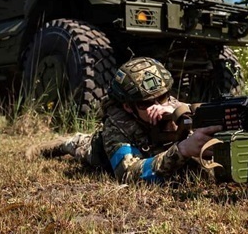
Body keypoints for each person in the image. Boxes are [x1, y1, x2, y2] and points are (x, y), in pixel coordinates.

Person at [25, 57, 222, 183]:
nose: (157, 106)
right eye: (145, 104)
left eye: (162, 97)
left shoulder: (172, 105)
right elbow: (128, 174)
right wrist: (183, 150)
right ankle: (50, 146)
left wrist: (180, 114)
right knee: (75, 144)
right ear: (128, 106)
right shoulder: (116, 125)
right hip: (99, 152)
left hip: (155, 150)